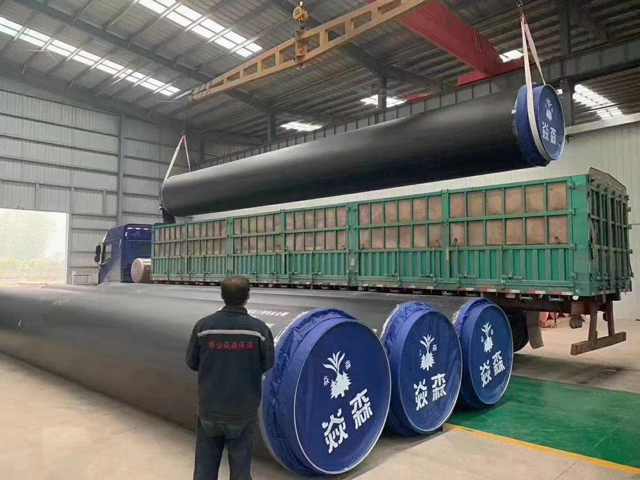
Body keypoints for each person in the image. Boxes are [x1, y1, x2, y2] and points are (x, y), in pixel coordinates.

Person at [186, 275, 275, 480]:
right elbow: (267, 364)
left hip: (209, 409)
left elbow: (191, 362)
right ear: (247, 297)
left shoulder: (203, 327)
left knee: (204, 471)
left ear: (222, 296)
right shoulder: (259, 330)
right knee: (241, 472)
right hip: (242, 413)